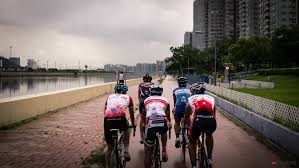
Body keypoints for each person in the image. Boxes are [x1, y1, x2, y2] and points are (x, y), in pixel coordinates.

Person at [185, 82, 216, 168]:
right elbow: (214, 114)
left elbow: (187, 116)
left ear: (193, 91)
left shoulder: (191, 98)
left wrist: (188, 125)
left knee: (191, 142)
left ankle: (194, 165)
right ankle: (209, 159)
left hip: (198, 120)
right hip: (211, 121)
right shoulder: (211, 98)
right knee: (209, 135)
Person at [104, 84, 135, 168]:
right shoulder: (128, 97)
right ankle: (126, 150)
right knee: (126, 129)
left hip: (107, 119)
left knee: (109, 147)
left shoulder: (109, 97)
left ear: (115, 90)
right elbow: (131, 113)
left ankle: (106, 166)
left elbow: (105, 111)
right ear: (125, 91)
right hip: (121, 118)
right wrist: (133, 123)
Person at [143, 85, 171, 168]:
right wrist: (169, 122)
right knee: (164, 130)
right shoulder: (165, 100)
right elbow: (167, 114)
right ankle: (164, 150)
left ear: (151, 92)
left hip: (150, 123)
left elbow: (144, 114)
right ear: (161, 92)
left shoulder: (146, 100)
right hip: (162, 121)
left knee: (148, 151)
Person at [172, 76, 192, 148]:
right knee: (189, 121)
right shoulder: (189, 90)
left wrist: (175, 108)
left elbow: (175, 102)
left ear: (178, 83)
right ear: (186, 83)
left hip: (179, 107)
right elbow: (191, 100)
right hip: (187, 107)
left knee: (177, 122)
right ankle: (190, 139)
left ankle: (177, 138)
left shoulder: (175, 90)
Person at [138, 74, 153, 144]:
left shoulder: (140, 85)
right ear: (151, 79)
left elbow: (139, 97)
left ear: (144, 79)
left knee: (142, 119)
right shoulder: (153, 85)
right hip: (150, 103)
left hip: (142, 103)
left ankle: (142, 137)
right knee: (151, 118)